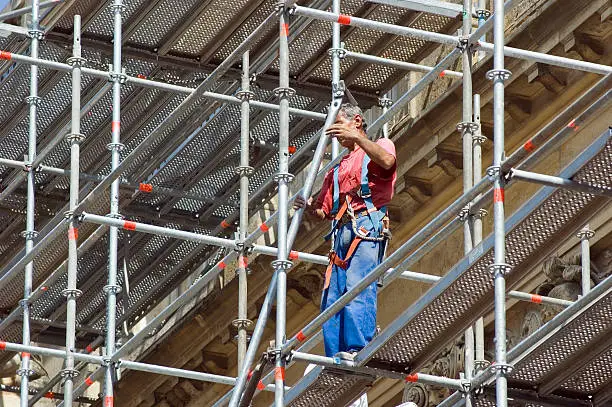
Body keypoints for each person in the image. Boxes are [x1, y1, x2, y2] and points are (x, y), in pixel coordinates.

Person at [294, 103, 397, 360]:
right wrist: (308, 207)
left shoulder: (380, 146)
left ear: (357, 121)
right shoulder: (337, 169)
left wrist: (359, 139)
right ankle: (335, 355)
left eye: (339, 124)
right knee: (333, 298)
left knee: (357, 288)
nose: (336, 133)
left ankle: (357, 348)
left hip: (366, 228)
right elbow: (323, 211)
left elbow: (387, 162)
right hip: (341, 236)